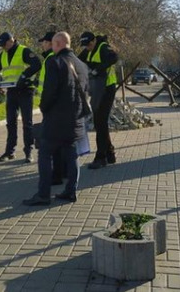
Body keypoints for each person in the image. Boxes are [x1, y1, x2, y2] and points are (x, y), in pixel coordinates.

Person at [23, 31, 89, 206]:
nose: (51, 47)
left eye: (52, 44)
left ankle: (43, 194)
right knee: (72, 154)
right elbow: (85, 91)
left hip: (56, 119)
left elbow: (49, 91)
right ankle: (71, 191)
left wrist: (44, 108)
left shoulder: (55, 62)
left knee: (45, 153)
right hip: (75, 119)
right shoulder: (81, 65)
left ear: (58, 44)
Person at [0, 32, 41, 163]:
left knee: (27, 123)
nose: (3, 48)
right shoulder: (3, 55)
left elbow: (37, 64)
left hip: (25, 90)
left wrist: (24, 76)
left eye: (4, 45)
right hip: (12, 91)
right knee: (11, 122)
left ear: (11, 41)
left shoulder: (24, 51)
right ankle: (9, 152)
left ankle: (28, 151)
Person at [78, 31, 118, 169]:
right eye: (85, 45)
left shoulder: (103, 47)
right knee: (100, 122)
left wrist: (97, 69)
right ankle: (109, 153)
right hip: (97, 89)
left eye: (88, 44)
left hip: (107, 88)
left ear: (94, 40)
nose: (87, 47)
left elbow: (114, 58)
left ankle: (101, 157)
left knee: (100, 121)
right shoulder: (88, 51)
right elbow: (78, 60)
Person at [37, 30, 65, 185]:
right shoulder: (53, 58)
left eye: (44, 42)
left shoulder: (51, 59)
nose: (42, 44)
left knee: (52, 142)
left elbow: (50, 86)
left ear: (50, 43)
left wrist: (45, 105)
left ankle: (56, 174)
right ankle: (60, 172)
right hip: (54, 105)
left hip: (51, 106)